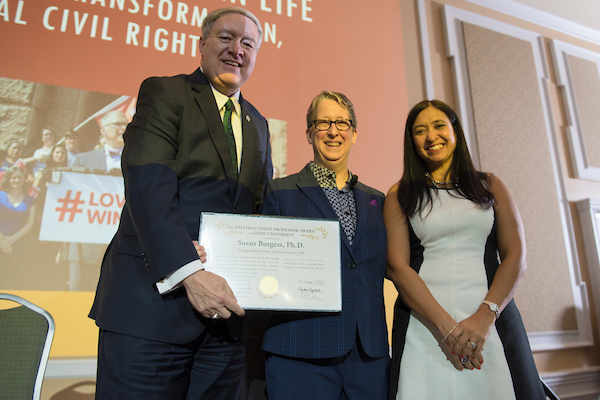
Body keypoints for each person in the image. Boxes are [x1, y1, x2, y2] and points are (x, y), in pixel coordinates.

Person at [88, 7, 272, 399]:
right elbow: (148, 188)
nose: (236, 49)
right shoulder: (165, 92)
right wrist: (188, 272)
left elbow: (258, 212)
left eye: (248, 43)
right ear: (202, 43)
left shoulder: (258, 123)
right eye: (226, 37)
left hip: (225, 322)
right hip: (151, 310)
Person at [384, 100, 545, 399]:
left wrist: (484, 318)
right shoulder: (400, 193)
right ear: (411, 141)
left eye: (439, 126)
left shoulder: (490, 186)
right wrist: (447, 329)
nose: (431, 136)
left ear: (455, 131)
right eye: (420, 130)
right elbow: (396, 267)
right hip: (424, 327)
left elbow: (515, 257)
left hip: (492, 323)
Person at [261, 91, 389, 399]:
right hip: (299, 353)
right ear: (308, 133)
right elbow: (264, 269)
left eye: (342, 123)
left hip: (367, 357)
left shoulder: (379, 201)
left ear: (354, 133)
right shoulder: (279, 193)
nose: (333, 131)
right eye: (323, 123)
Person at [72, 110, 127, 175]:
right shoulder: (82, 160)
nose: (124, 128)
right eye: (117, 124)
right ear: (103, 130)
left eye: (126, 124)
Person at [0, 167, 35, 259]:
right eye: (13, 177)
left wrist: (12, 240)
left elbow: (29, 224)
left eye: (19, 177)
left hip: (19, 244)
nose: (16, 180)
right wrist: (3, 241)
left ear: (24, 179)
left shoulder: (30, 200)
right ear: (8, 179)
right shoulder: (0, 196)